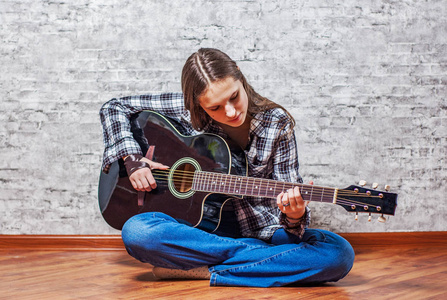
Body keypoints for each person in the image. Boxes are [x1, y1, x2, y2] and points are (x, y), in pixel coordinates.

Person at [99, 48, 354, 287]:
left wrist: (295, 214)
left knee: (339, 253)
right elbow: (114, 107)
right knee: (138, 233)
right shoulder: (185, 109)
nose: (231, 112)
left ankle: (205, 269)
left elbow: (292, 223)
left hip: (260, 231)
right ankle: (263, 262)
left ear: (239, 75)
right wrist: (132, 160)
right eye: (215, 107)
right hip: (199, 232)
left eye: (234, 96)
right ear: (198, 104)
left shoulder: (276, 123)